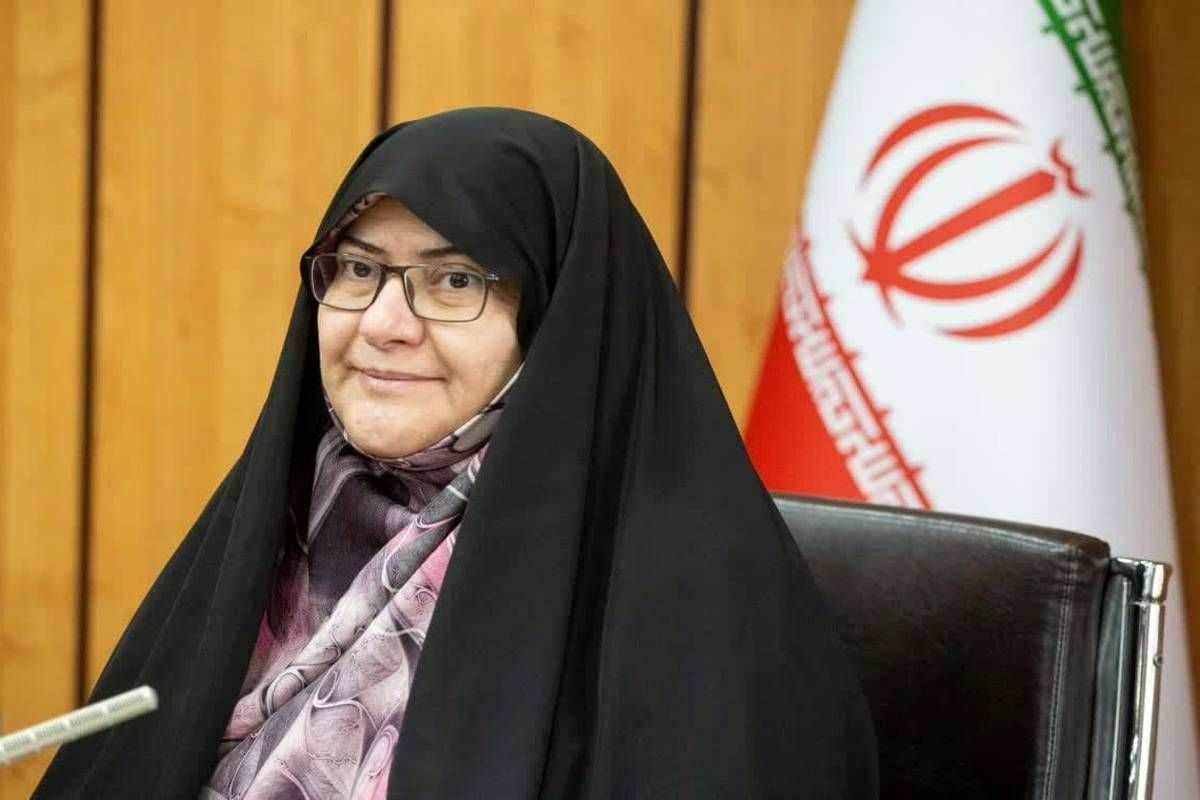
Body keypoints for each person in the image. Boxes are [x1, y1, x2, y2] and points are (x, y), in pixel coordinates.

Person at [35, 108, 878, 798]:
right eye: (357, 269)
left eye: (456, 280)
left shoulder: (702, 615)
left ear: (555, 323)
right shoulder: (287, 519)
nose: (383, 323)